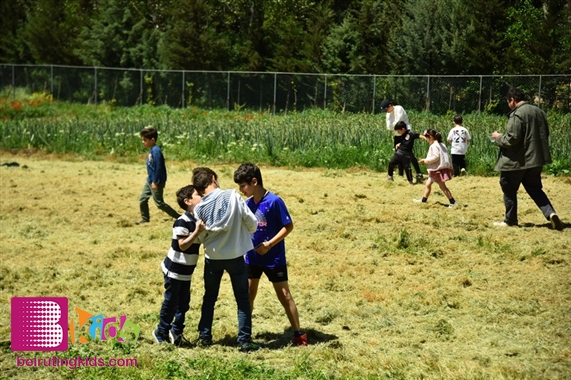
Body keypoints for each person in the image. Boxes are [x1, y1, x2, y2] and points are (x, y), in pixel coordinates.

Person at [233, 163, 307, 347]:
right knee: (249, 294)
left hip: (274, 259)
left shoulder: (274, 201)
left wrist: (269, 244)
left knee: (284, 295)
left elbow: (288, 226)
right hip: (252, 258)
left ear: (254, 181)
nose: (241, 190)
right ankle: (245, 334)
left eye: (243, 186)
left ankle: (298, 334)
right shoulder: (247, 204)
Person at [191, 167, 264, 352]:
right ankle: (245, 341)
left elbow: (199, 237)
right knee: (242, 300)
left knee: (209, 297)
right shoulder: (232, 196)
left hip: (212, 257)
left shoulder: (199, 208)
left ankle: (205, 337)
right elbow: (251, 222)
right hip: (235, 255)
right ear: (213, 179)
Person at [490, 87, 563, 230]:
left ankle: (510, 220)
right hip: (536, 160)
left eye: (508, 101)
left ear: (512, 100)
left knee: (509, 189)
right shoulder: (539, 112)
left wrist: (498, 138)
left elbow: (512, 139)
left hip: (516, 162)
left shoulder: (517, 114)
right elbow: (544, 134)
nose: (508, 104)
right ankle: (551, 213)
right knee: (535, 189)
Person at [153, 185, 205, 346]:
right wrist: (196, 232)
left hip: (186, 271)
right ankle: (161, 330)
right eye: (198, 194)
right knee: (171, 302)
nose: (202, 196)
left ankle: (176, 331)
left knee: (184, 303)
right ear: (187, 201)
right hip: (174, 270)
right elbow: (182, 245)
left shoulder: (199, 220)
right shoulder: (181, 221)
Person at [136, 127, 180, 225]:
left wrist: (155, 181)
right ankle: (145, 218)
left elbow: (158, 168)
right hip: (150, 180)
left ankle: (179, 217)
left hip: (156, 181)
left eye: (145, 140)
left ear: (152, 140)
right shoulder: (152, 150)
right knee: (142, 199)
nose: (143, 142)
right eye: (142, 140)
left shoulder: (156, 151)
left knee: (159, 203)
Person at [380, 99, 424, 180]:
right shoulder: (388, 114)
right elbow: (388, 127)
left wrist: (394, 126)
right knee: (398, 154)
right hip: (397, 135)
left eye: (386, 109)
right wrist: (395, 126)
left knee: (409, 154)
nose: (386, 112)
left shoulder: (399, 108)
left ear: (390, 105)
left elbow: (398, 123)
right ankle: (401, 174)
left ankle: (418, 173)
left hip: (406, 134)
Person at [414, 129, 457, 208]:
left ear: (430, 137)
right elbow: (448, 157)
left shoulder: (434, 146)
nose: (426, 140)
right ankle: (424, 200)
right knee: (428, 184)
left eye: (426, 138)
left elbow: (435, 157)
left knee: (442, 187)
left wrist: (425, 161)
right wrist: (451, 167)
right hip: (439, 169)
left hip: (437, 170)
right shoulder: (442, 144)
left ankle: (453, 202)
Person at [387, 121, 421, 185]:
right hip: (399, 153)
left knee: (407, 168)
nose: (398, 132)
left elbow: (418, 135)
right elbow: (404, 142)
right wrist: (399, 144)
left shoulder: (410, 134)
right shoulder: (402, 135)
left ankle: (410, 181)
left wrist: (425, 138)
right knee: (391, 163)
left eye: (398, 131)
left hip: (406, 155)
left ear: (403, 129)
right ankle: (390, 177)